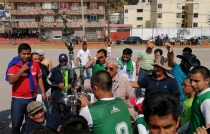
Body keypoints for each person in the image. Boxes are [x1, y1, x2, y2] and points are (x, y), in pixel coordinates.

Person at [5, 43, 46, 134]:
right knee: (16, 124)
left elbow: (39, 78)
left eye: (28, 54)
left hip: (32, 99)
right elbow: (11, 81)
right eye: (24, 54)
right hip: (18, 100)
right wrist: (22, 70)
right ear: (18, 53)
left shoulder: (35, 64)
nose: (26, 56)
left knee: (31, 124)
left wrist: (43, 92)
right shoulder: (14, 65)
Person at [166, 42, 197, 114]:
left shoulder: (190, 73)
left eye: (190, 65)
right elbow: (171, 59)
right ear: (183, 61)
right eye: (188, 64)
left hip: (185, 104)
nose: (189, 66)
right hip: (174, 103)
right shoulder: (176, 68)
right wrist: (170, 51)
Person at [178, 66, 210, 134]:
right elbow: (193, 119)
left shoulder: (207, 101)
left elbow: (208, 128)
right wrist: (180, 131)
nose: (192, 84)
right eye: (191, 80)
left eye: (196, 81)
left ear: (207, 81)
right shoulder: (198, 93)